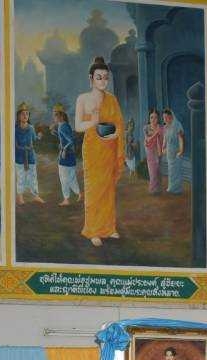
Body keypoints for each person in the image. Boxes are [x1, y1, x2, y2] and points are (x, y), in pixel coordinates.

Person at [76, 56, 123, 246]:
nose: (103, 81)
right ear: (91, 78)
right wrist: (93, 121)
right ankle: (93, 229)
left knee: (108, 189)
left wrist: (114, 135)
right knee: (94, 189)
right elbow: (78, 126)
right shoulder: (83, 99)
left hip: (109, 147)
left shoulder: (112, 99)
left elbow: (119, 124)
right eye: (99, 77)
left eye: (105, 78)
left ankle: (109, 228)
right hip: (92, 149)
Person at [14, 103, 44, 204]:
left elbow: (34, 139)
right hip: (20, 157)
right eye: (23, 114)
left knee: (33, 176)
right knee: (21, 177)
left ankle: (36, 196)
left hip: (31, 156)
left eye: (27, 113)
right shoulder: (15, 129)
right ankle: (20, 197)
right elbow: (15, 145)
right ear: (18, 116)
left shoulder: (31, 128)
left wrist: (39, 136)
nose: (25, 116)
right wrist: (24, 148)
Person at [51, 104, 79, 206]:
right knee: (71, 176)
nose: (54, 117)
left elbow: (70, 140)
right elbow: (64, 138)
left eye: (55, 115)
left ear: (61, 116)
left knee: (64, 178)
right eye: (54, 115)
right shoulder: (65, 125)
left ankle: (66, 199)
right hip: (71, 156)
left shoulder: (62, 127)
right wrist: (55, 132)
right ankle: (79, 194)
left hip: (66, 156)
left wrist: (64, 149)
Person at [161, 108, 188, 195]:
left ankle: (177, 189)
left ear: (171, 116)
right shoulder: (166, 127)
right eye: (163, 118)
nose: (165, 119)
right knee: (171, 170)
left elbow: (181, 139)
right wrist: (163, 147)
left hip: (176, 152)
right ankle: (172, 187)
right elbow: (165, 139)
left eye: (166, 117)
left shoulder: (177, 125)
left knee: (177, 170)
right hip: (169, 152)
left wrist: (181, 151)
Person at [142, 110, 163, 194]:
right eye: (151, 117)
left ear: (158, 118)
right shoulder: (146, 128)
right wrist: (155, 134)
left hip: (157, 149)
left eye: (155, 117)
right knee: (152, 169)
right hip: (149, 149)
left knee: (157, 169)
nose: (153, 120)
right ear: (149, 118)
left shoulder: (160, 128)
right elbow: (147, 140)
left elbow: (163, 139)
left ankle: (157, 188)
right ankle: (152, 188)